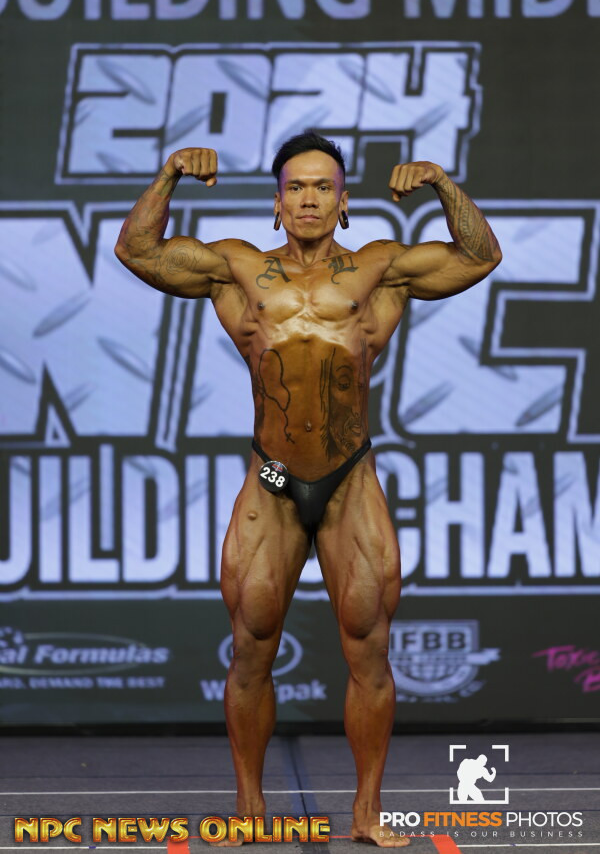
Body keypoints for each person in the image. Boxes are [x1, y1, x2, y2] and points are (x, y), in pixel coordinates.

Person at [115, 131, 502, 846]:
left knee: (370, 649)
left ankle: (367, 814)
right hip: (272, 480)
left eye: (324, 187)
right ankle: (249, 809)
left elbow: (480, 256)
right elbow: (136, 250)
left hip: (350, 479)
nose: (309, 199)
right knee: (251, 645)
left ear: (344, 201)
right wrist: (168, 174)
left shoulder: (380, 269)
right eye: (296, 187)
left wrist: (443, 185)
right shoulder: (237, 268)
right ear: (277, 202)